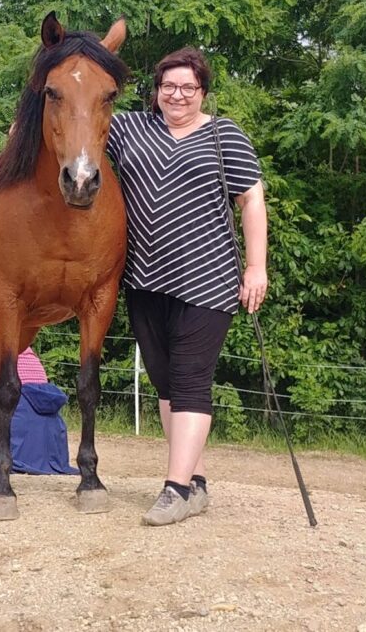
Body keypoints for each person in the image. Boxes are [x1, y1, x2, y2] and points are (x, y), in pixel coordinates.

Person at [106, 46, 268, 526]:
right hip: (143, 277)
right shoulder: (129, 128)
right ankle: (195, 483)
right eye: (168, 86)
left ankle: (174, 489)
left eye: (188, 88)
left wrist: (255, 267)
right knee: (164, 383)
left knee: (192, 381)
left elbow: (251, 201)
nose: (177, 95)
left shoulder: (225, 134)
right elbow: (72, 128)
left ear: (202, 92)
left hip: (207, 279)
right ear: (156, 91)